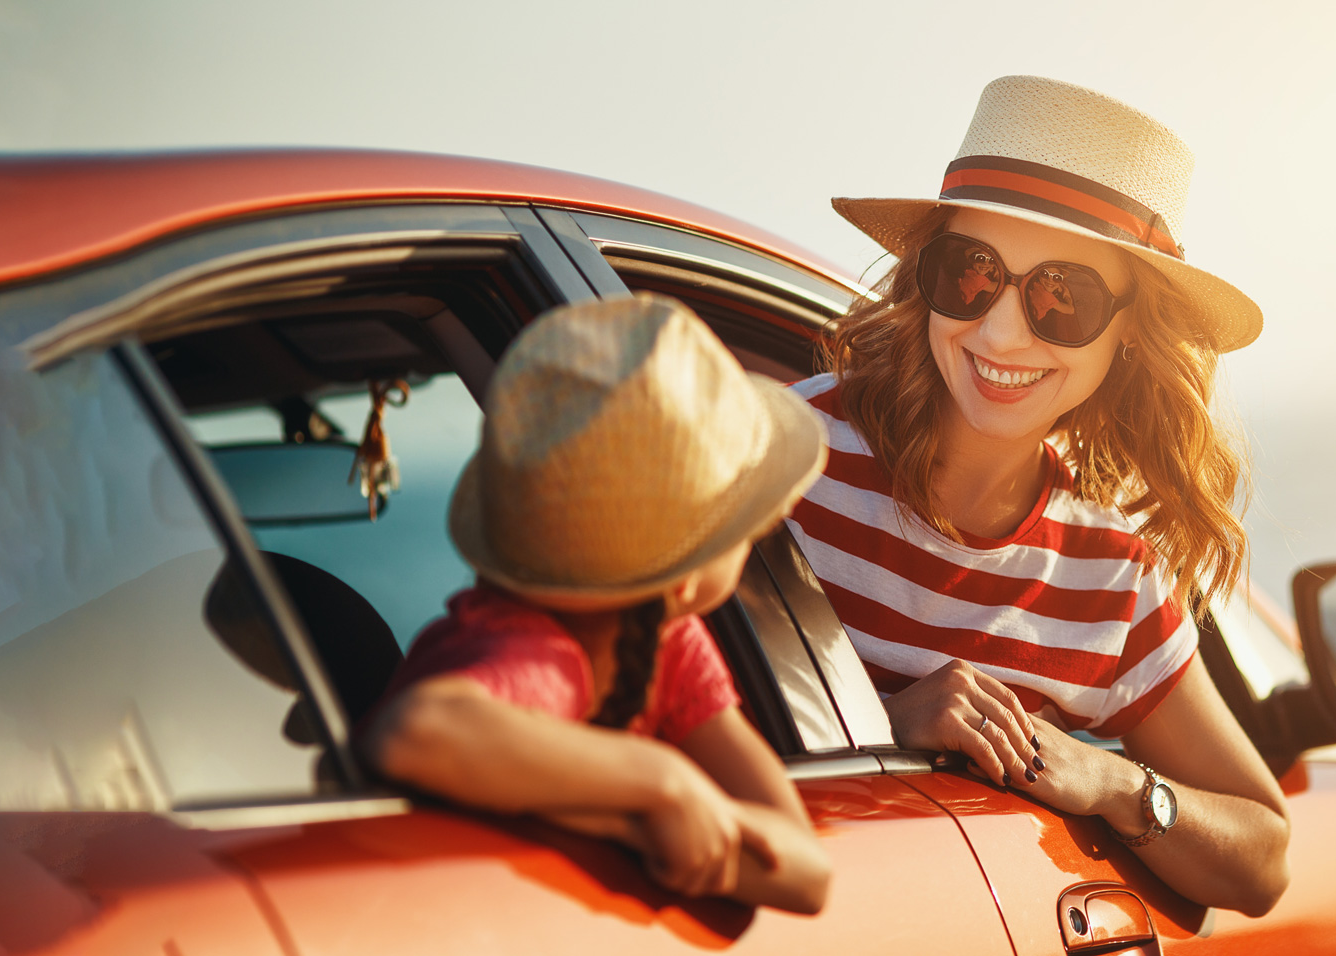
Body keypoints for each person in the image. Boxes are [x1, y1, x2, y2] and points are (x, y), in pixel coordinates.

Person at [793, 75, 1288, 915]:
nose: (999, 332)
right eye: (972, 273)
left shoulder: (1113, 580)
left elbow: (1263, 861)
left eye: (1064, 296)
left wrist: (1108, 778)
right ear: (928, 276)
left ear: (1130, 332)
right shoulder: (786, 454)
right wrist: (882, 722)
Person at [359, 292, 832, 914]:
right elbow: (415, 731)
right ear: (682, 580)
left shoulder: (672, 648)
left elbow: (807, 874)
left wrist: (621, 820)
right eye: (745, 528)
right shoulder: (534, 651)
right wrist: (660, 783)